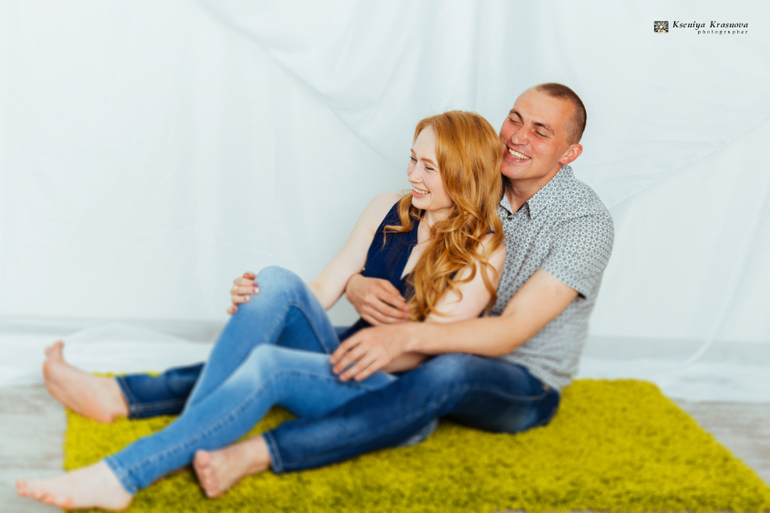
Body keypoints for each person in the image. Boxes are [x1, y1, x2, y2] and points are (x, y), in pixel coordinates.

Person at [100, 82, 613, 494]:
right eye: (515, 119)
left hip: (516, 374)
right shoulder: (480, 177)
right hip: (415, 340)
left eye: (540, 131)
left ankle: (257, 451)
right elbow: (375, 256)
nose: (517, 137)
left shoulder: (583, 224)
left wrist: (401, 335)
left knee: (446, 370)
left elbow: (510, 331)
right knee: (274, 294)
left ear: (570, 153)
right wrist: (355, 282)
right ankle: (136, 400)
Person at [16, 110, 509, 510]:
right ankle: (183, 434)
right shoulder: (388, 208)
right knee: (273, 281)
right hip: (345, 359)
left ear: (462, 171)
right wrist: (259, 302)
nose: (412, 175)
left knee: (269, 364)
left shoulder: (484, 248)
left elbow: (424, 351)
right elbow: (322, 288)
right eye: (412, 159)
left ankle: (123, 473)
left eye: (428, 167)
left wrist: (354, 349)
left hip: (394, 397)